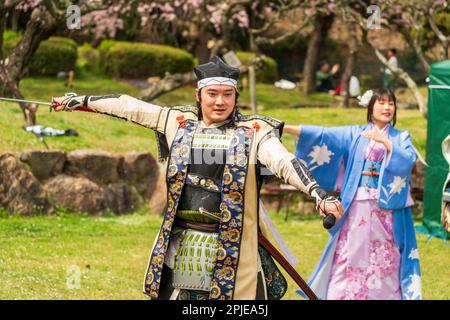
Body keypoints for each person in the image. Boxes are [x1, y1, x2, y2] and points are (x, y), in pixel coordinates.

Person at [52, 56, 343, 300]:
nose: (220, 102)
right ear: (198, 94)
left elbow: (284, 162)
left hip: (235, 247)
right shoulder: (177, 123)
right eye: (212, 94)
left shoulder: (255, 131)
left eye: (227, 94)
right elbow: (130, 106)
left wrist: (318, 193)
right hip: (184, 242)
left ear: (236, 97)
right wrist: (81, 100)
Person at [283, 88, 422, 300]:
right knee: (350, 250)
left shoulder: (401, 137)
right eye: (381, 102)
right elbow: (323, 134)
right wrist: (283, 128)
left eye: (391, 103)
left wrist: (386, 142)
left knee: (385, 253)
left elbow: (408, 159)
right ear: (371, 107)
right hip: (359, 204)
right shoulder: (355, 133)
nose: (387, 107)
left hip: (387, 207)